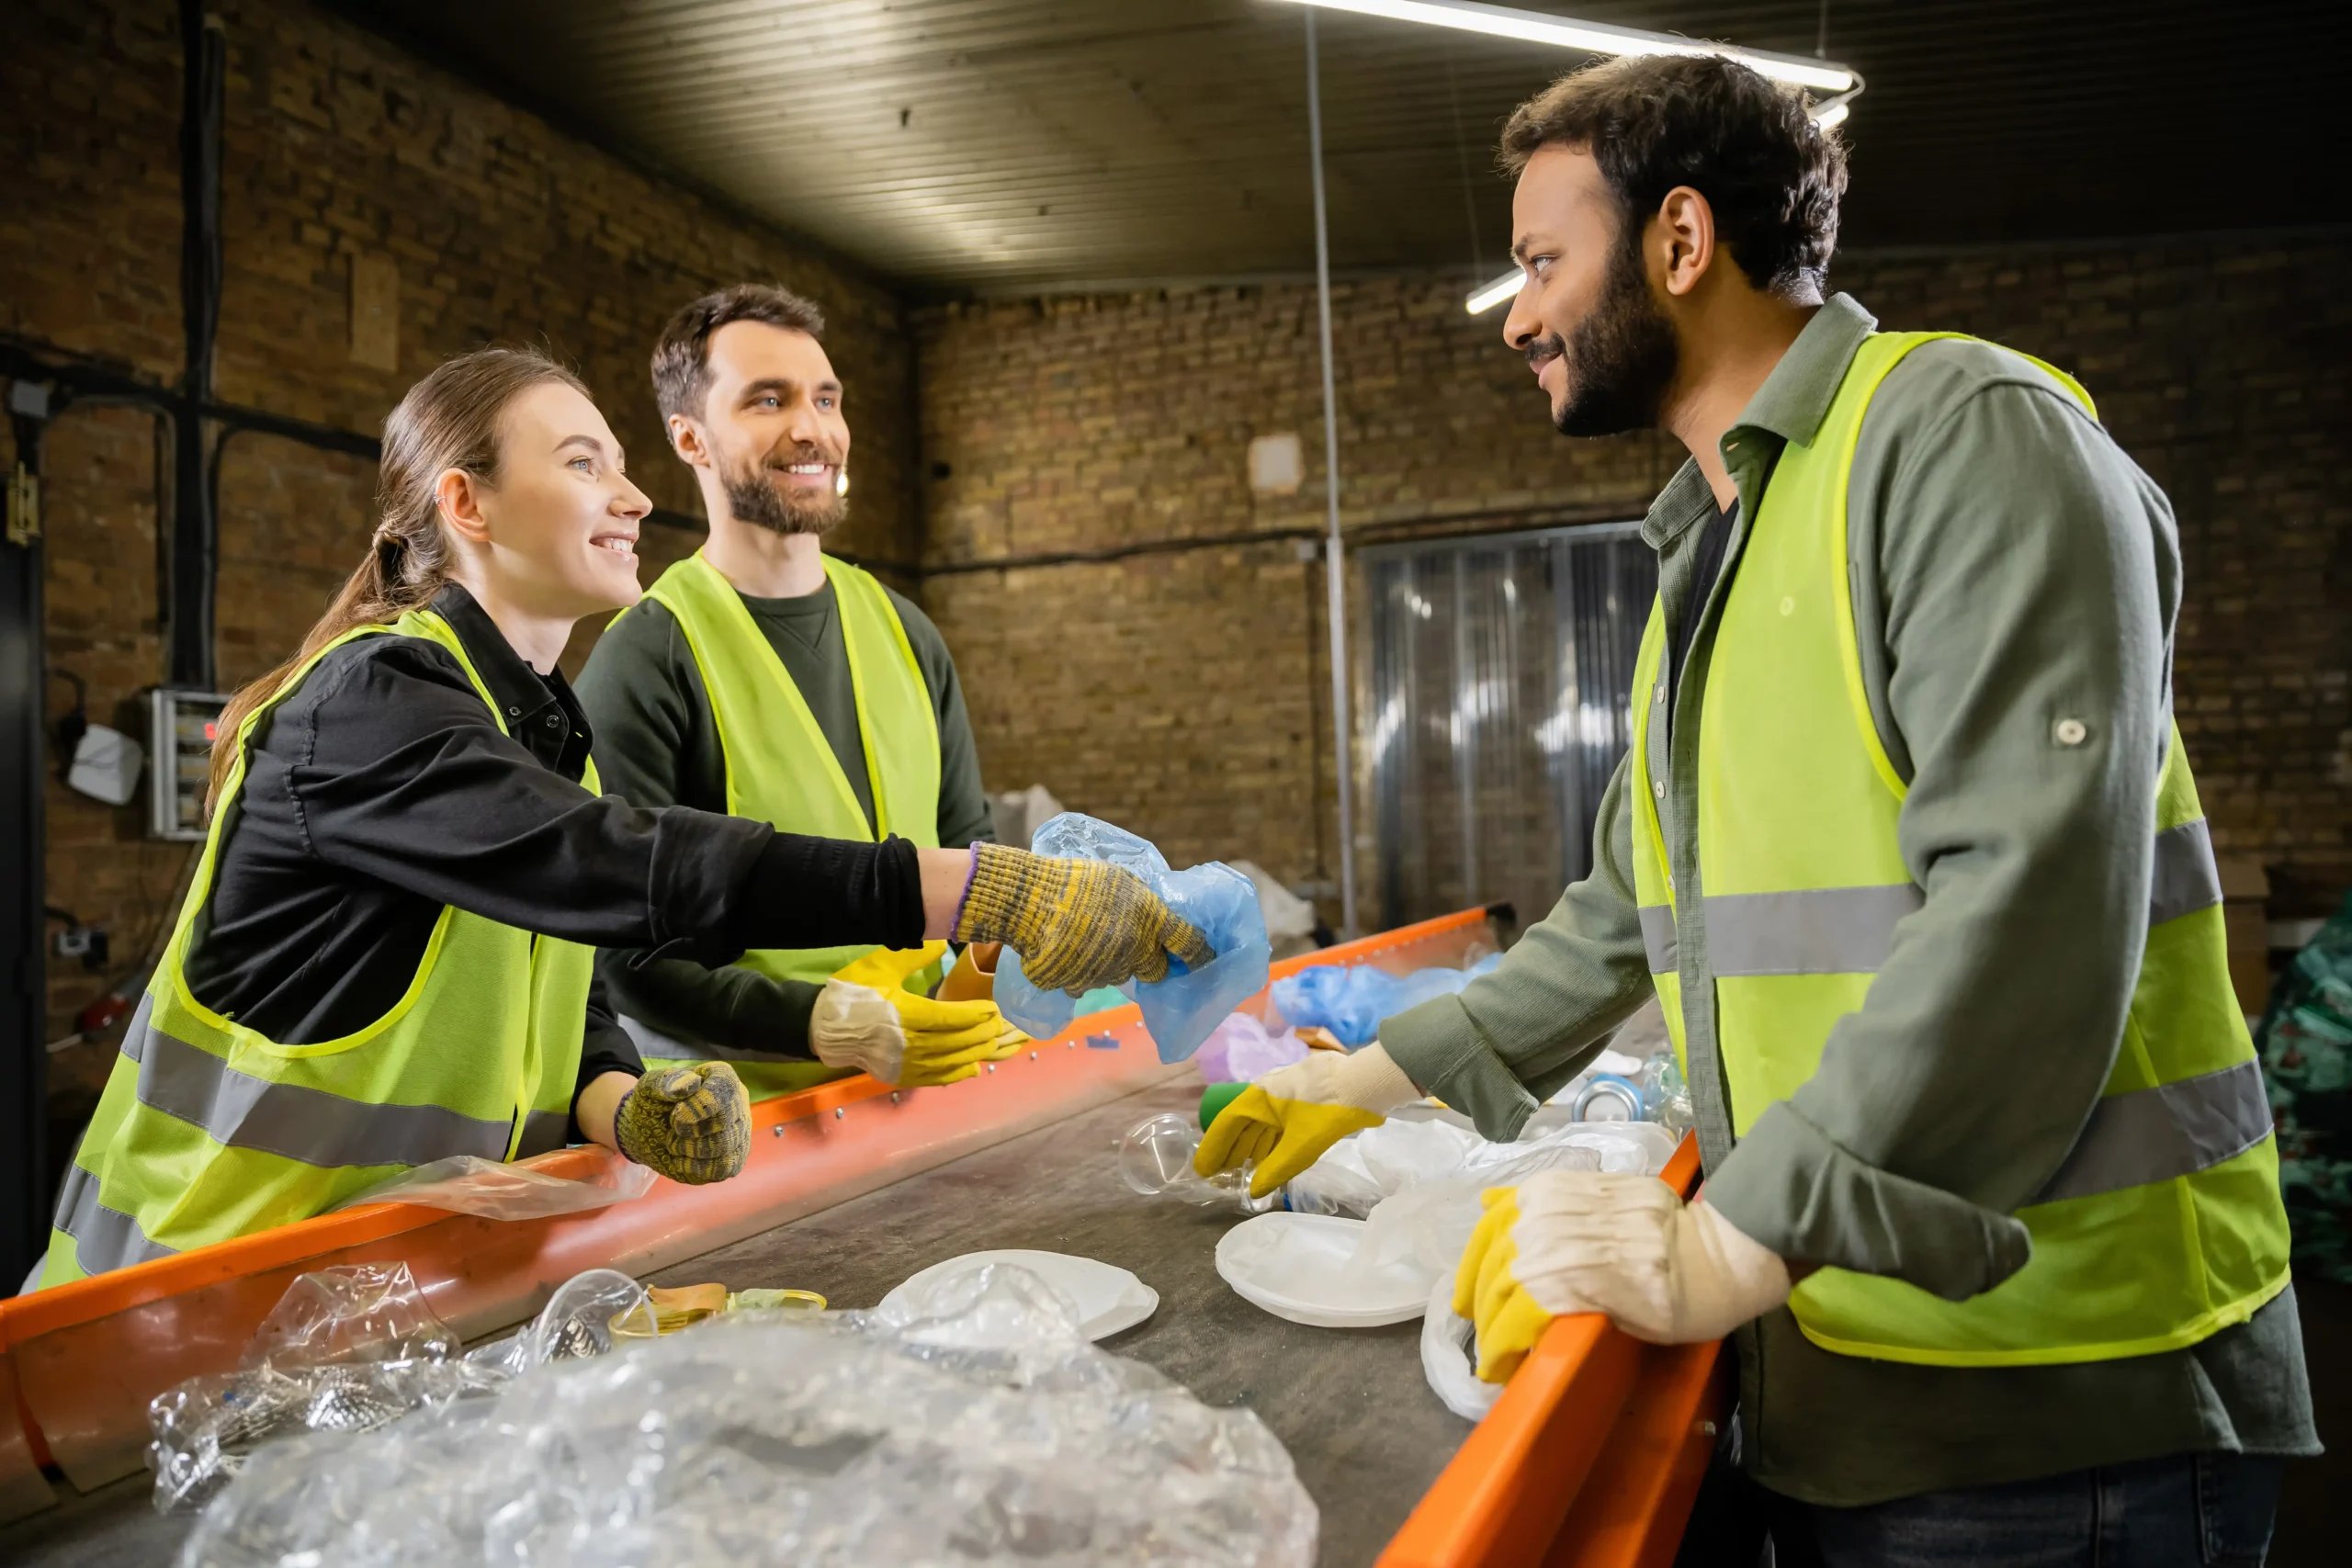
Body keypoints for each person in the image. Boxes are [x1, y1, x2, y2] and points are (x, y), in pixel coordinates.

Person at [1196, 55, 2314, 1563]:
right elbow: (1616, 918)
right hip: (1855, 1375)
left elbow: (2026, 898)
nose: (1519, 316)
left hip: (2064, 1398)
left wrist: (1732, 1235)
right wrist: (1374, 1080)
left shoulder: (1961, 439)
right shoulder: (1714, 559)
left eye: (1541, 262)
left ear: (1678, 242)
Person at [40, 347, 1209, 1290]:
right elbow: (612, 869)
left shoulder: (534, 728)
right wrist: (974, 886)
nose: (636, 495)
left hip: (368, 1302)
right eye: (587, 464)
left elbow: (563, 981)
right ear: (467, 503)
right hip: (166, 1313)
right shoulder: (366, 700)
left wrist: (620, 1100)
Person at [577, 284, 1011, 1101]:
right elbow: (628, 957)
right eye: (767, 400)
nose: (812, 428)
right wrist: (823, 1017)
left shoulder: (905, 629)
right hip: (750, 1124)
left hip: (931, 1093)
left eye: (825, 398)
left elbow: (970, 844)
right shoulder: (649, 655)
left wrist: (999, 966)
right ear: (690, 438)